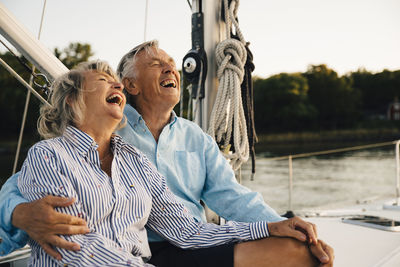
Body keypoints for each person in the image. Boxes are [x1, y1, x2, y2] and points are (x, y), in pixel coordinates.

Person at [0, 41, 334, 266]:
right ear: (132, 85)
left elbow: (223, 205)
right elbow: (22, 188)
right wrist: (18, 213)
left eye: (172, 65)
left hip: (187, 244)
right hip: (144, 253)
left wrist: (277, 225)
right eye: (157, 64)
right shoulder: (69, 144)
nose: (170, 69)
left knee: (298, 253)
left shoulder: (174, 145)